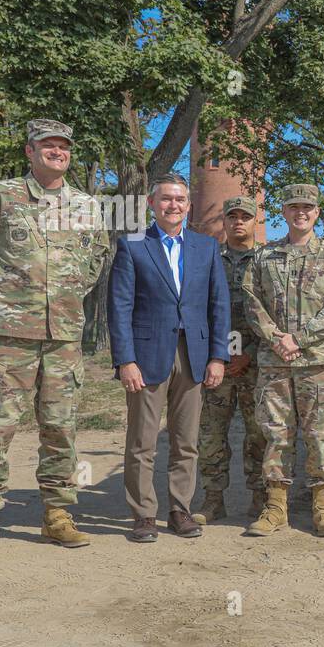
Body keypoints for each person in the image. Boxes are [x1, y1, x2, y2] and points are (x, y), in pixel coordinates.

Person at [0, 118, 110, 561]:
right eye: (47, 145)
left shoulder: (86, 205)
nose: (56, 151)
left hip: (63, 336)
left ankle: (57, 514)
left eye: (63, 146)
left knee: (61, 428)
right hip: (8, 336)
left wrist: (69, 293)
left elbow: (97, 255)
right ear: (29, 151)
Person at [108, 173, 229, 542]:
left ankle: (180, 509)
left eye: (179, 199)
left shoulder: (205, 247)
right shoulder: (132, 245)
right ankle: (144, 514)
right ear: (151, 203)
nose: (173, 205)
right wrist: (124, 360)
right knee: (142, 440)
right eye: (165, 199)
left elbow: (218, 305)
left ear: (188, 205)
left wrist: (218, 357)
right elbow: (119, 306)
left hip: (194, 353)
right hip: (146, 356)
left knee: (186, 440)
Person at [240, 184, 324, 538]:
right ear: (284, 213)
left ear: (317, 212)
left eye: (307, 207)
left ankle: (323, 508)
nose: (300, 212)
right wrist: (277, 339)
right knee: (277, 434)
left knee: (320, 436)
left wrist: (299, 339)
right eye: (293, 207)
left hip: (317, 362)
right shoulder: (264, 257)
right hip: (275, 362)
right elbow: (250, 299)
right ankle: (276, 507)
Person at [194, 197, 266, 523]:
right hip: (217, 360)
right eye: (232, 216)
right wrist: (217, 355)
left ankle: (260, 498)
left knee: (259, 434)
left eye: (245, 217)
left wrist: (249, 354)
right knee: (211, 434)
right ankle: (212, 499)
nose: (239, 222)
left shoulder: (269, 259)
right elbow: (197, 309)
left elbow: (277, 312)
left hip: (257, 359)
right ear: (223, 221)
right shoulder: (207, 258)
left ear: (255, 221)